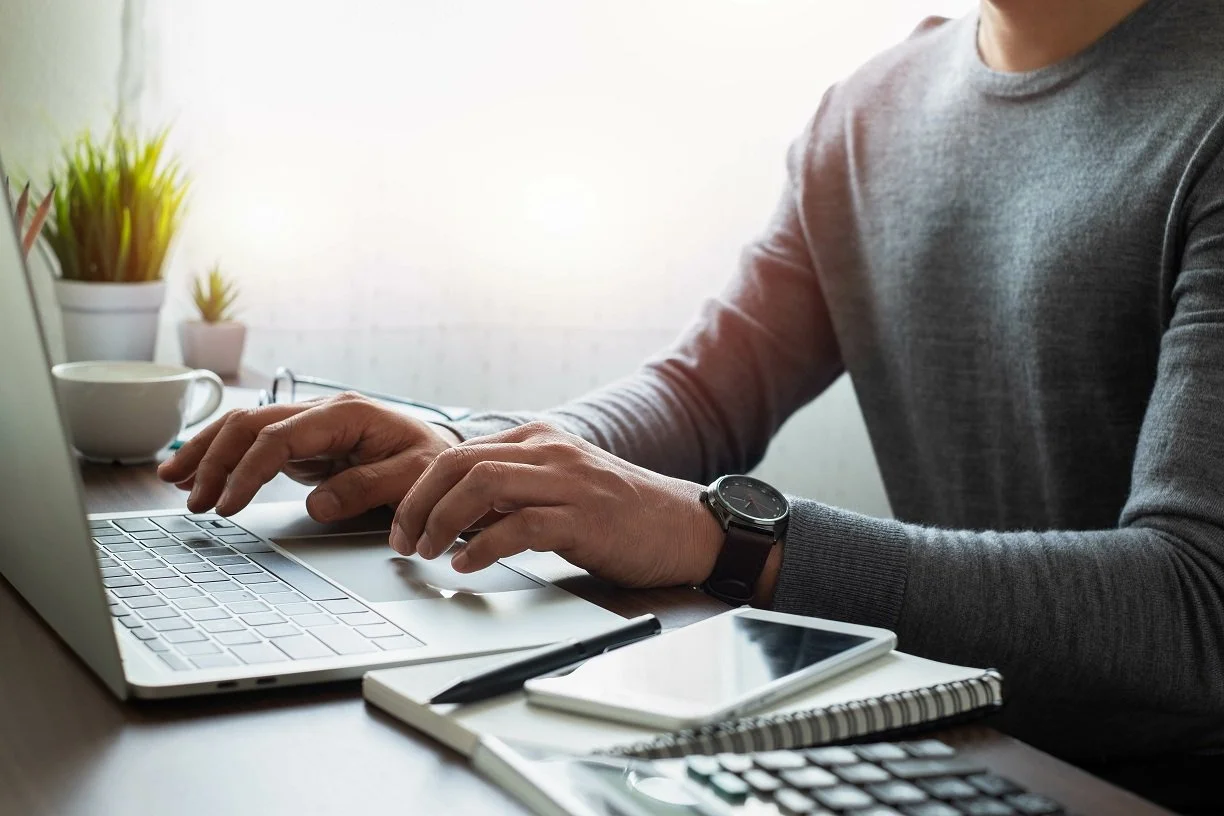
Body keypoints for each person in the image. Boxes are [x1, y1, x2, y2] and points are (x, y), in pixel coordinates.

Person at [159, 0, 1224, 802]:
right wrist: (480, 452)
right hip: (938, 735)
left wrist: (726, 540)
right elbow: (702, 393)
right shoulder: (872, 108)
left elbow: (1195, 610)